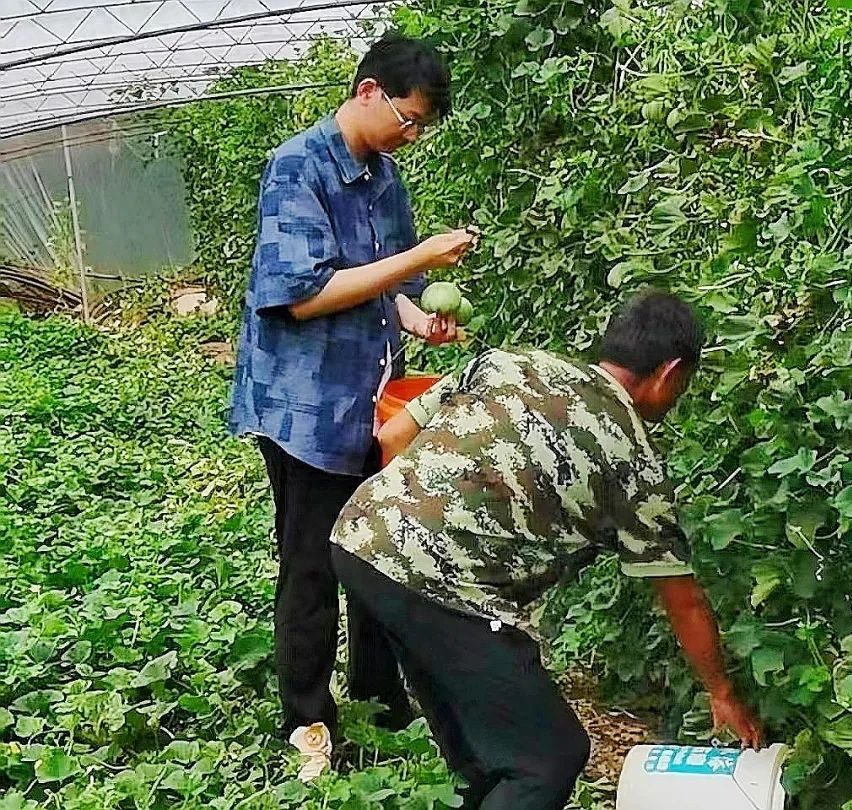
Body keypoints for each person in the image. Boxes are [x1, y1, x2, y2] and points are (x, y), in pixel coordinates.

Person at [325, 289, 764, 806]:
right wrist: (721, 692)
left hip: (359, 537)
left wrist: (411, 522)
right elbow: (681, 598)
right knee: (549, 759)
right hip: (442, 584)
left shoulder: (508, 362)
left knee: (478, 751)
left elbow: (396, 434)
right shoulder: (633, 460)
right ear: (669, 374)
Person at [227, 33, 476, 777]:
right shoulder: (295, 167)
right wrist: (421, 258)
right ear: (368, 91)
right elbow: (301, 296)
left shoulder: (385, 178)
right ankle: (307, 722)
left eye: (422, 125)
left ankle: (380, 701)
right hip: (306, 408)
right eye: (408, 118)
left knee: (380, 554)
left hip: (374, 403)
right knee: (311, 564)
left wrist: (418, 315)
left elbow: (386, 288)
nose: (413, 134)